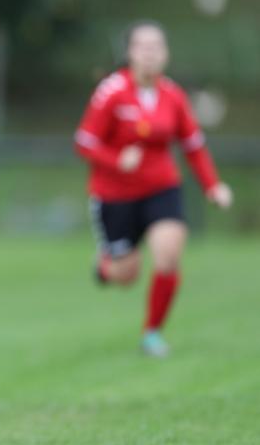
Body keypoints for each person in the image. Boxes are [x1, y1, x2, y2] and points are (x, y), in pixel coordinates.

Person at [74, 20, 232, 357]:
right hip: (115, 196)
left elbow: (193, 145)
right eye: (142, 47)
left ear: (166, 54)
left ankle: (152, 334)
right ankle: (105, 268)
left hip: (162, 189)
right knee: (126, 275)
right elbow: (84, 143)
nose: (150, 54)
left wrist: (213, 185)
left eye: (156, 47)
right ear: (130, 52)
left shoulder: (173, 96)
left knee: (169, 254)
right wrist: (117, 160)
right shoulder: (111, 91)